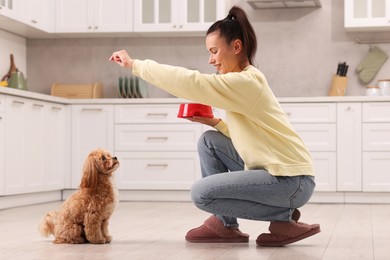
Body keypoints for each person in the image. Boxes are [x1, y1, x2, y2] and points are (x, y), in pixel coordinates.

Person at [109, 5, 320, 247]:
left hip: (291, 180)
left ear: (236, 47)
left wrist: (136, 65)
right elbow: (252, 137)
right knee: (209, 141)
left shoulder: (246, 81)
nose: (210, 60)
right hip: (279, 172)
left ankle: (282, 219)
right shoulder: (242, 80)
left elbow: (193, 83)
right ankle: (225, 224)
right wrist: (214, 122)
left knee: (201, 193)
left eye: (214, 51)